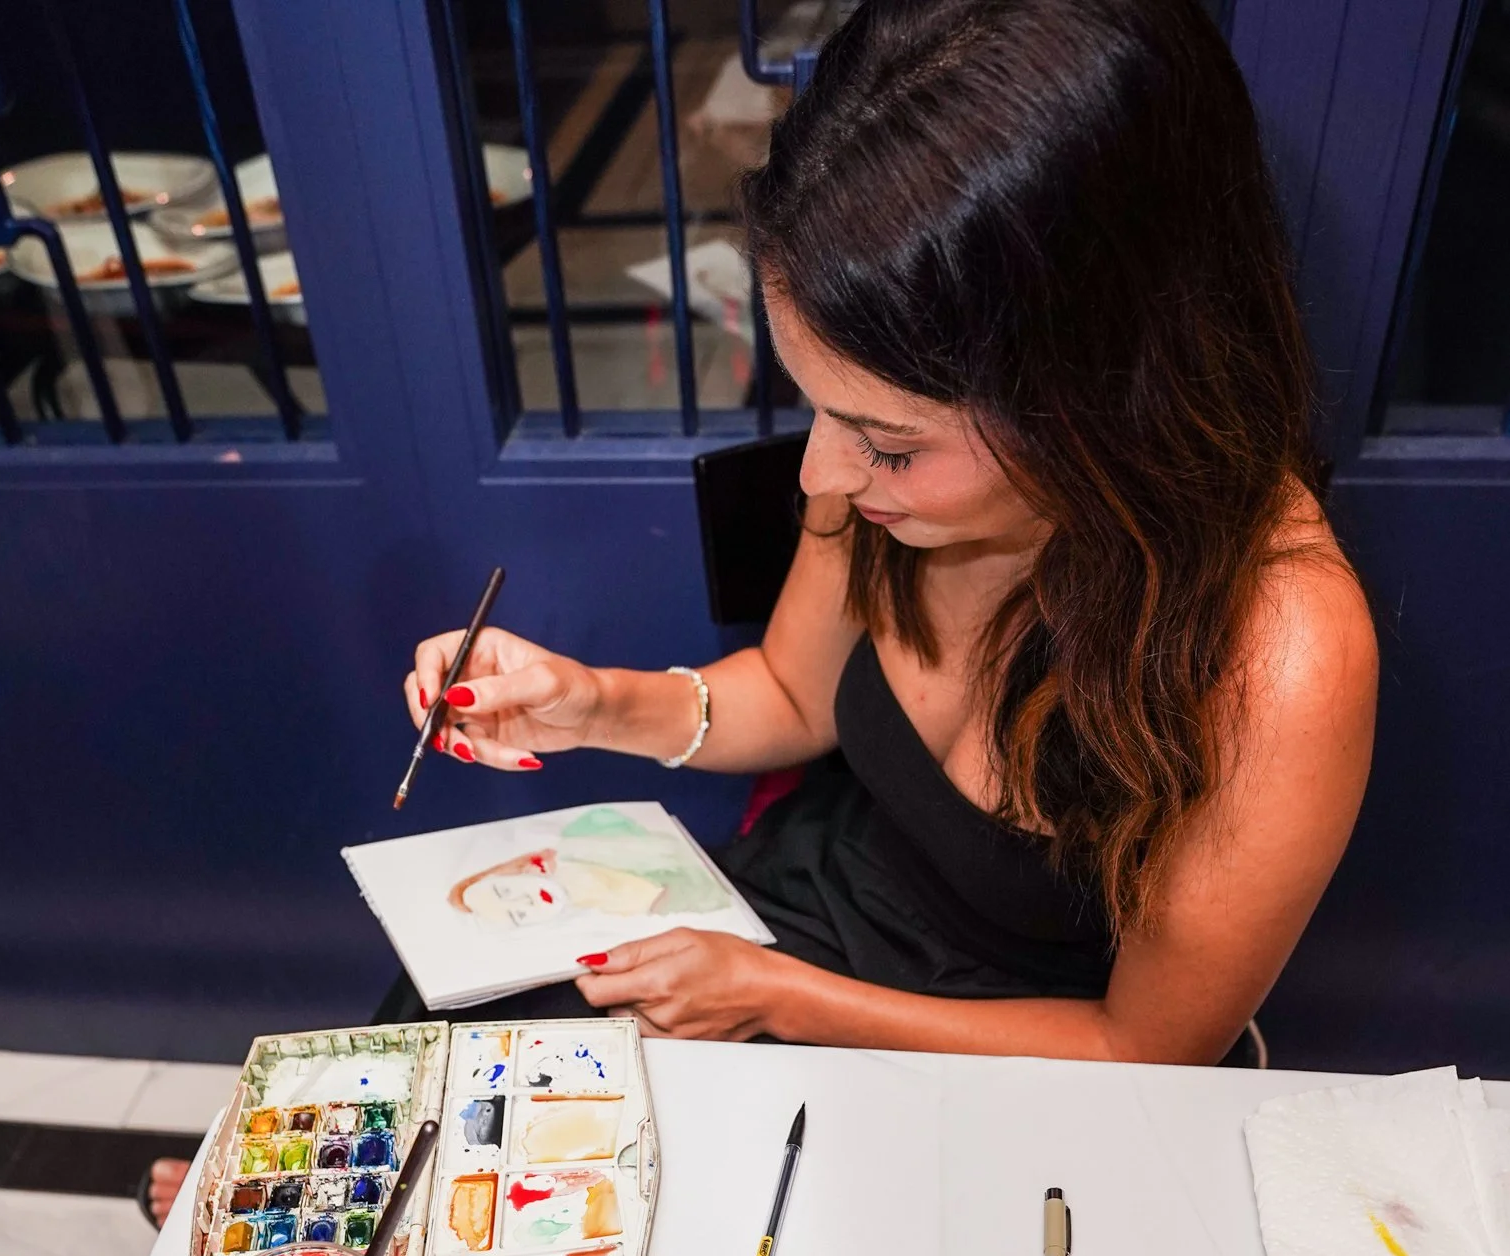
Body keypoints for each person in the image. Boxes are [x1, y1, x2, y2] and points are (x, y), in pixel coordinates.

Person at [406, 0, 1376, 1062]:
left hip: (1027, 1061)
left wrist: (781, 997)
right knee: (439, 1034)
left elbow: (1141, 1048)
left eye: (888, 444)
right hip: (805, 907)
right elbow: (791, 695)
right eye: (816, 408)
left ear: (1098, 398)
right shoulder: (867, 454)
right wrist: (592, 702)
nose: (820, 475)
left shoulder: (1281, 650)